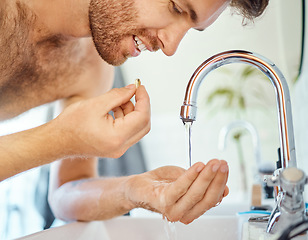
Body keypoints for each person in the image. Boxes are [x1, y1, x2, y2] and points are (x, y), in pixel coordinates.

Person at [0, 0, 269, 225]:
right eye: (176, 7)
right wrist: (61, 139)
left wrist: (135, 191)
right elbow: (60, 143)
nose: (171, 47)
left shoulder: (92, 65)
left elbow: (66, 191)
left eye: (190, 28)